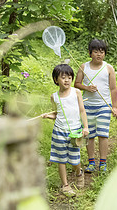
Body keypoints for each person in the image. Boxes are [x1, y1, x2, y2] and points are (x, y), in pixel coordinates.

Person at [42, 64, 89, 197]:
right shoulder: (54, 97)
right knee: (60, 158)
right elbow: (58, 114)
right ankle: (65, 185)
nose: (67, 80)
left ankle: (79, 172)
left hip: (75, 131)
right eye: (63, 78)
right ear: (56, 80)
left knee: (74, 159)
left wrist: (85, 127)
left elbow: (82, 110)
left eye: (69, 77)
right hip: (59, 131)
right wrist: (48, 116)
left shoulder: (76, 92)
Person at [74, 39, 117, 173]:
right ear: (90, 53)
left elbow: (113, 89)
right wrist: (87, 87)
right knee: (89, 134)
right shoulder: (83, 67)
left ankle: (103, 163)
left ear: (105, 54)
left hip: (104, 106)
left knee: (103, 134)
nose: (99, 55)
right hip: (87, 106)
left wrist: (114, 107)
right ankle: (91, 162)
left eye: (102, 52)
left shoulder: (108, 68)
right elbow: (76, 84)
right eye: (96, 52)